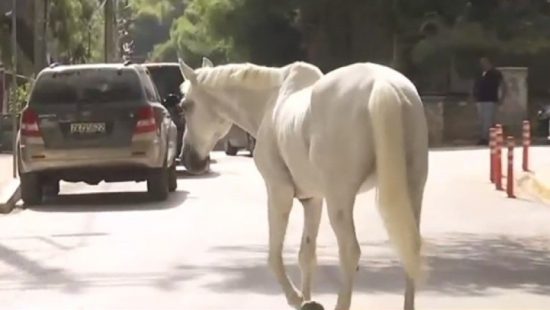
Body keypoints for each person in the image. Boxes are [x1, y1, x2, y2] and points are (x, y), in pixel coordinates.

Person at [473, 56, 507, 145]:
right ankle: (483, 137)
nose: (482, 65)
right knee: (481, 120)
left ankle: (486, 138)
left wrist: (502, 98)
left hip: (490, 99)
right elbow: (476, 85)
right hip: (480, 100)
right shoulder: (480, 73)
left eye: (484, 62)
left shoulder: (495, 73)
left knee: (488, 120)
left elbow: (503, 85)